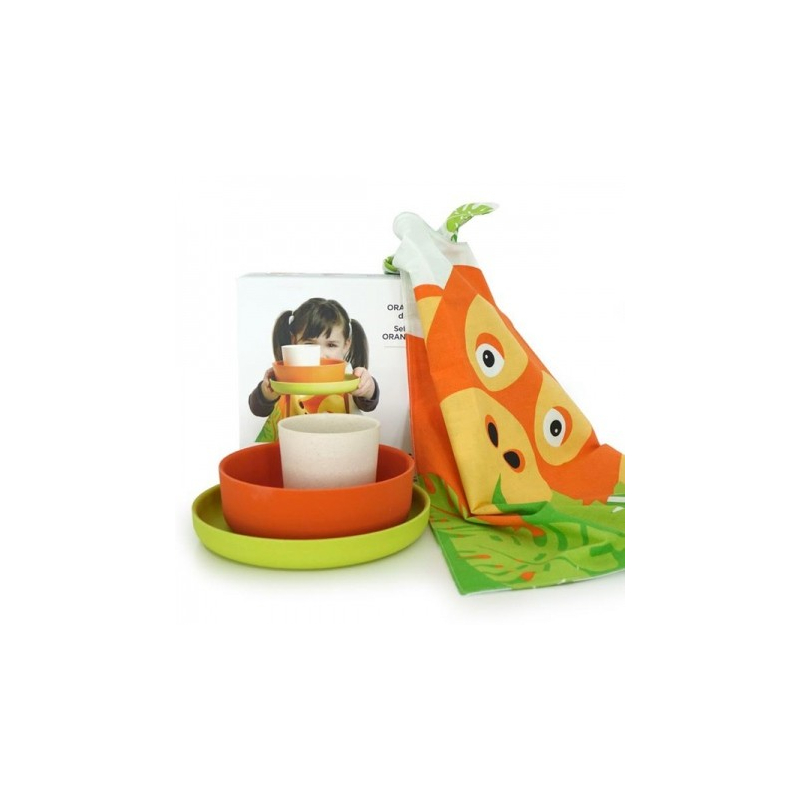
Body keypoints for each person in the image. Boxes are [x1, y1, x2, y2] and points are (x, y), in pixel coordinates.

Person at [248, 297, 379, 442]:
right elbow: (257, 409)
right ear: (294, 341)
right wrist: (266, 392)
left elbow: (368, 404)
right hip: (290, 445)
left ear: (346, 345)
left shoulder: (350, 376)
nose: (320, 355)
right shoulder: (285, 374)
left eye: (331, 345)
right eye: (310, 344)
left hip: (338, 446)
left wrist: (368, 388)